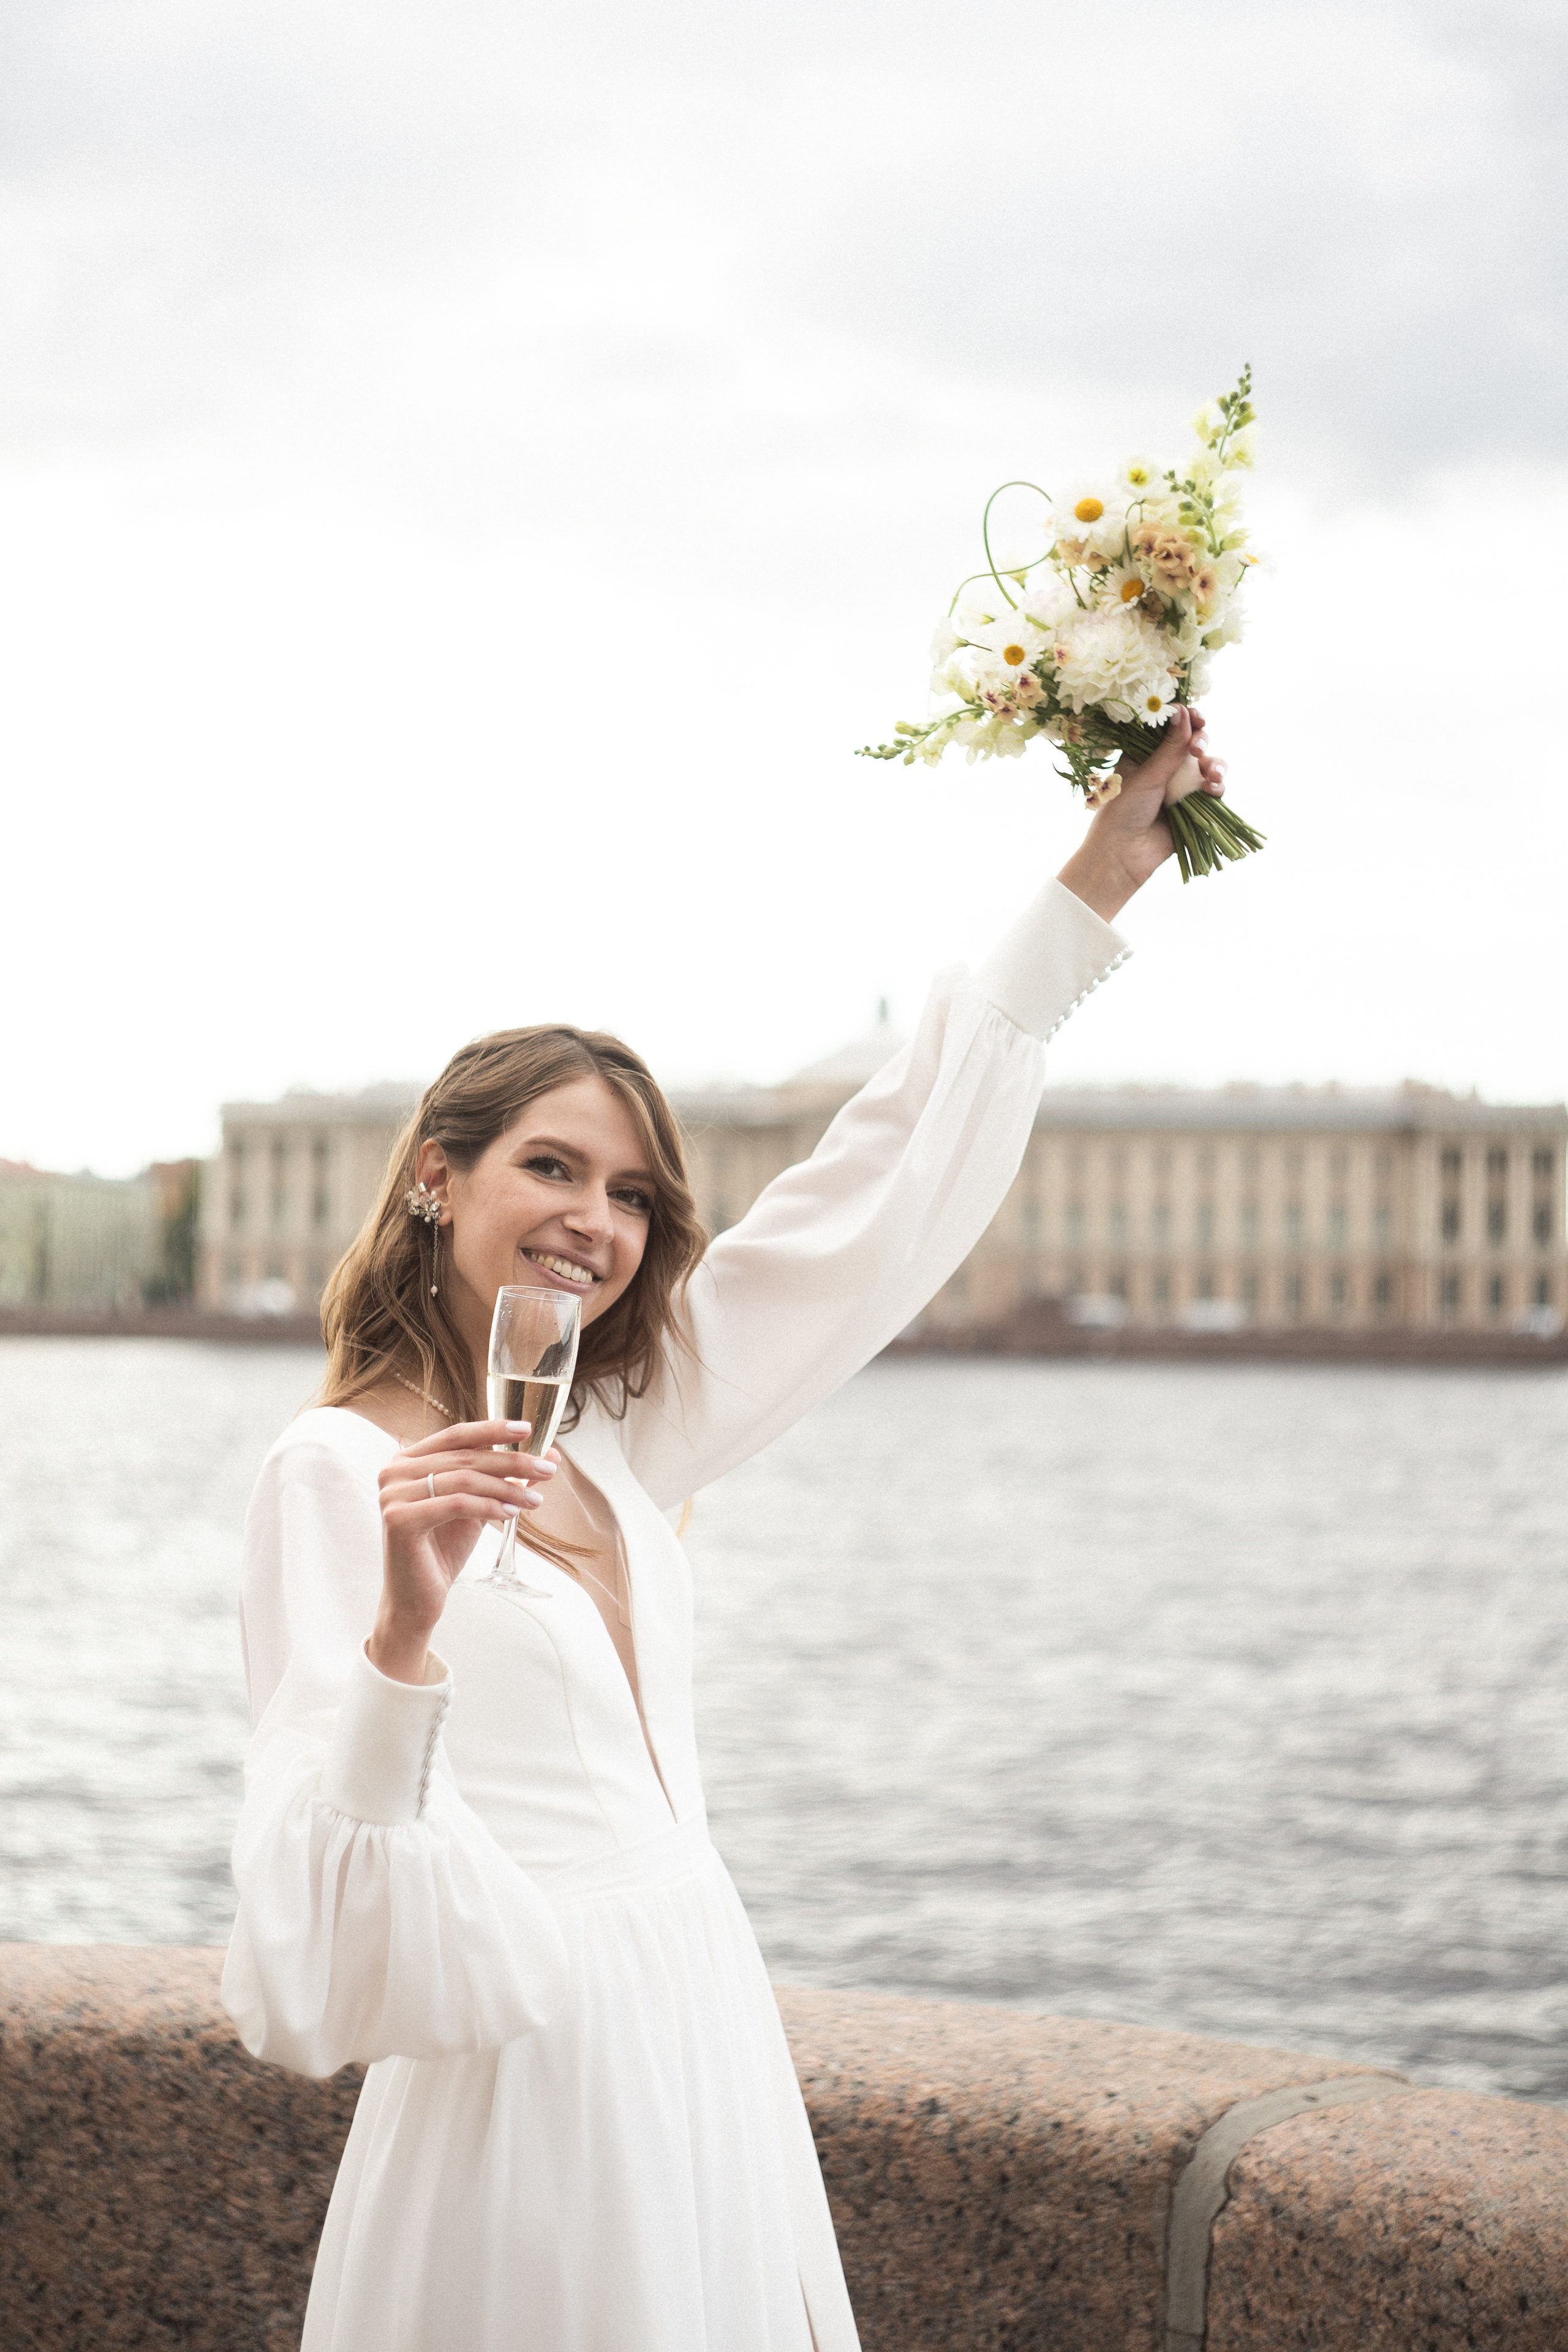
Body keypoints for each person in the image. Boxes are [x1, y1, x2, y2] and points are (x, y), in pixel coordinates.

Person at [222, 712, 1226, 2351]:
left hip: (697, 2023)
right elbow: (307, 1905)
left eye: (632, 1195)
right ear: (435, 1179)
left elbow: (864, 1207)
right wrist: (404, 1640)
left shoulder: (618, 1428)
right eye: (553, 1168)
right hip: (525, 2072)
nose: (596, 1221)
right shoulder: (332, 1473)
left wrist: (1097, 881)